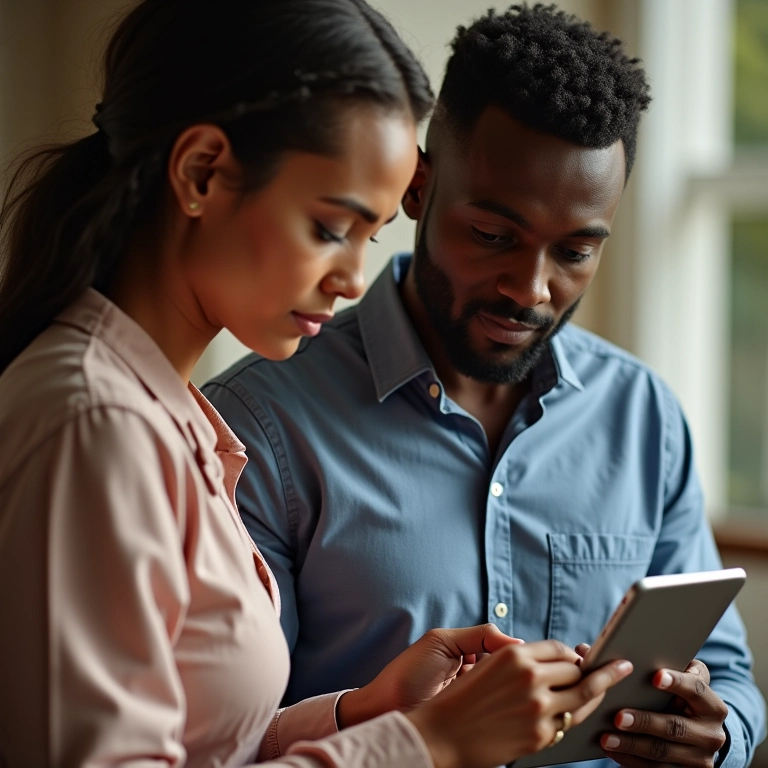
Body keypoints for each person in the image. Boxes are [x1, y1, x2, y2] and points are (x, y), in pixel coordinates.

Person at [0, 1, 638, 766]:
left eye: (372, 235)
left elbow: (210, 749)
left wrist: (362, 713)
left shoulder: (171, 417)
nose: (352, 279)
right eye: (332, 228)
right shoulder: (95, 421)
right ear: (202, 173)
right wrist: (427, 744)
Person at [203, 4, 767, 768]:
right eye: (494, 237)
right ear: (417, 187)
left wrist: (720, 731)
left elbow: (728, 673)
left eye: (574, 250)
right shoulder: (256, 427)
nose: (530, 289)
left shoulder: (646, 417)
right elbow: (226, 737)